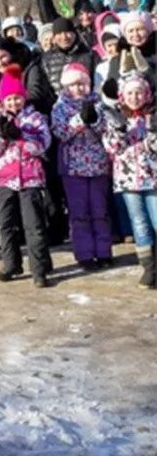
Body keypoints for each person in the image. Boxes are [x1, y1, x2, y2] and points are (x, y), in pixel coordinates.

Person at [0, 65, 54, 287]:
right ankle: (11, 264)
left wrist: (21, 136)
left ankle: (39, 270)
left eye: (17, 98)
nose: (13, 103)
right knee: (5, 224)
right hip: (4, 180)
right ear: (3, 101)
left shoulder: (35, 119)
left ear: (24, 98)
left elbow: (43, 145)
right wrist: (3, 137)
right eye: (9, 99)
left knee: (34, 225)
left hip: (30, 179)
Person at [51, 63, 114, 271]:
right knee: (79, 213)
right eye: (73, 84)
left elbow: (106, 129)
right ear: (66, 86)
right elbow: (60, 132)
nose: (78, 88)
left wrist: (94, 121)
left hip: (97, 165)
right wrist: (80, 120)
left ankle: (104, 251)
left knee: (100, 210)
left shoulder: (98, 103)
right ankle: (84, 253)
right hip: (73, 168)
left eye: (82, 84)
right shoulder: (59, 107)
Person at [102, 74, 157, 288]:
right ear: (122, 96)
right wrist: (119, 129)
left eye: (139, 92)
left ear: (147, 94)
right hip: (127, 180)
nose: (135, 97)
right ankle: (149, 268)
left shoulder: (152, 116)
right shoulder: (116, 118)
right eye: (130, 93)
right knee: (139, 223)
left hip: (153, 178)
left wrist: (152, 132)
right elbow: (113, 149)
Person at [41, 17, 96, 96]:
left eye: (67, 32)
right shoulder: (46, 59)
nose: (64, 37)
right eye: (59, 33)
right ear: (54, 37)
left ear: (74, 34)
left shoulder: (88, 55)